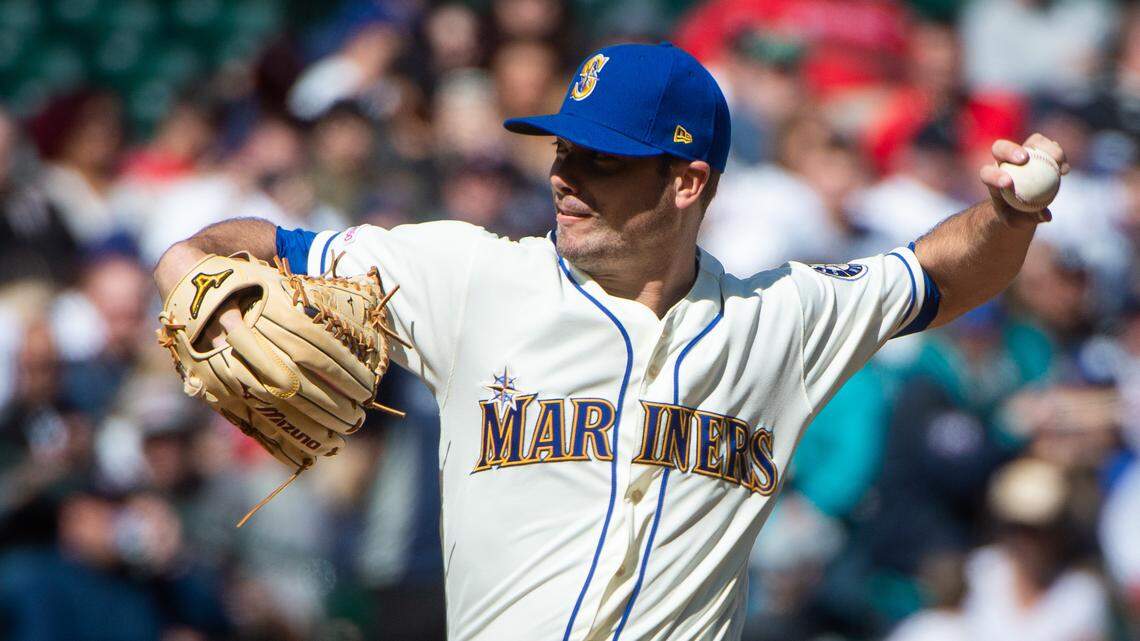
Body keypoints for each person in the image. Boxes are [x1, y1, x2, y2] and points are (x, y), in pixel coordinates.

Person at [153, 43, 1069, 640]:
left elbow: (938, 275)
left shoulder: (781, 317)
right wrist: (182, 275)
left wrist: (1007, 213)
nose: (565, 176)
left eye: (602, 158)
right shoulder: (468, 275)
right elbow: (253, 241)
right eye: (561, 150)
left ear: (685, 183)